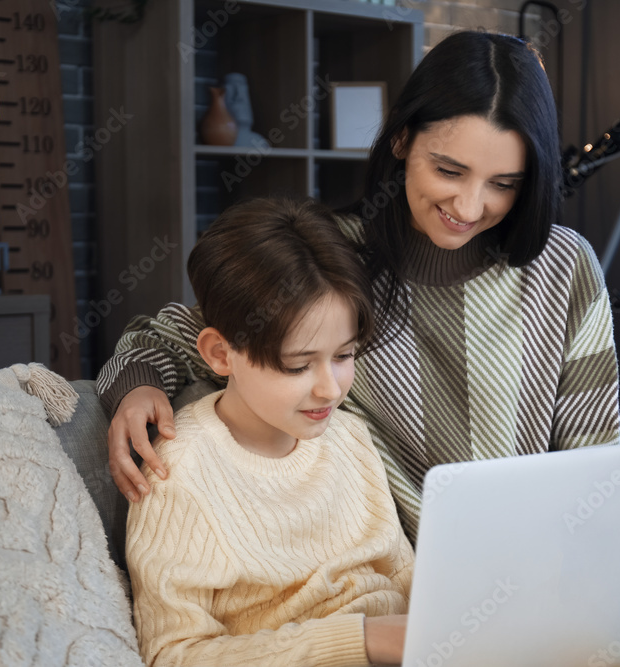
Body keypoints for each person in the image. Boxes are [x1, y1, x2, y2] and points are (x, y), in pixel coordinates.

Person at [101, 31, 620, 665]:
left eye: (504, 183)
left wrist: (618, 536)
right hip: (462, 582)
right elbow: (185, 330)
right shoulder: (336, 261)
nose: (470, 205)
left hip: (585, 546)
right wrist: (137, 384)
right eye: (448, 170)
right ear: (401, 142)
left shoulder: (564, 263)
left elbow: (590, 446)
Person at [125, 197, 413, 667]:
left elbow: (404, 575)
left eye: (344, 356)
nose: (329, 389)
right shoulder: (180, 475)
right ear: (220, 354)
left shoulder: (351, 437)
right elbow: (172, 655)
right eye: (297, 365)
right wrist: (359, 640)